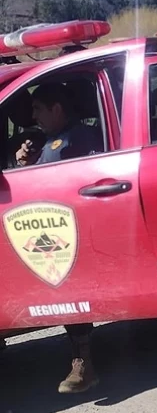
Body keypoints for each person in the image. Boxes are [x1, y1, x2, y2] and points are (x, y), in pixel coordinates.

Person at [15, 82, 102, 394]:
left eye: (38, 108)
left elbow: (87, 177)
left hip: (75, 232)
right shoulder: (51, 140)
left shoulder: (81, 137)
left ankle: (84, 365)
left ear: (57, 109)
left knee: (65, 287)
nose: (33, 115)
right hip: (51, 227)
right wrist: (26, 164)